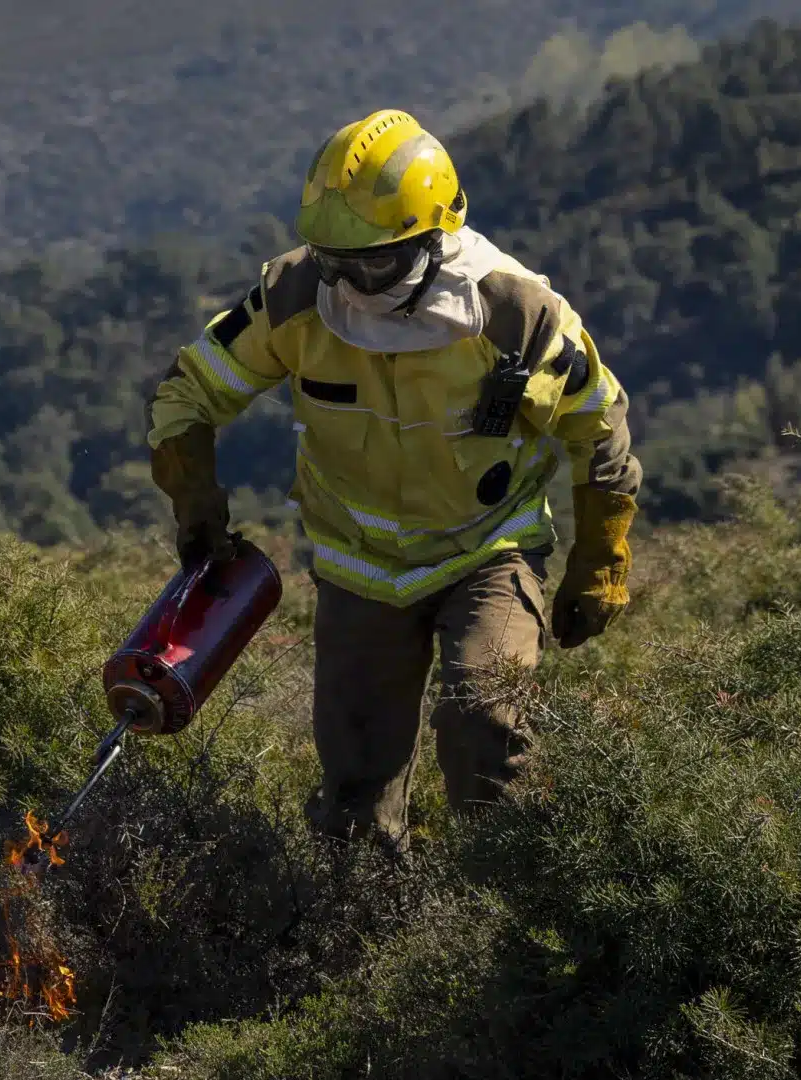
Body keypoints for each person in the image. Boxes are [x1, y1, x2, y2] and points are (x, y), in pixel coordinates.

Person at [145, 109, 642, 854]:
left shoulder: (515, 314)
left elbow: (599, 426)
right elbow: (188, 391)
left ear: (431, 237)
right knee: (354, 793)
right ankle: (366, 936)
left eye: (369, 264)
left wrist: (599, 563)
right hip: (359, 566)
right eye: (333, 259)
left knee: (484, 723)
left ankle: (505, 923)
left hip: (487, 550)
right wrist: (195, 498)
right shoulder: (294, 294)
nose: (348, 283)